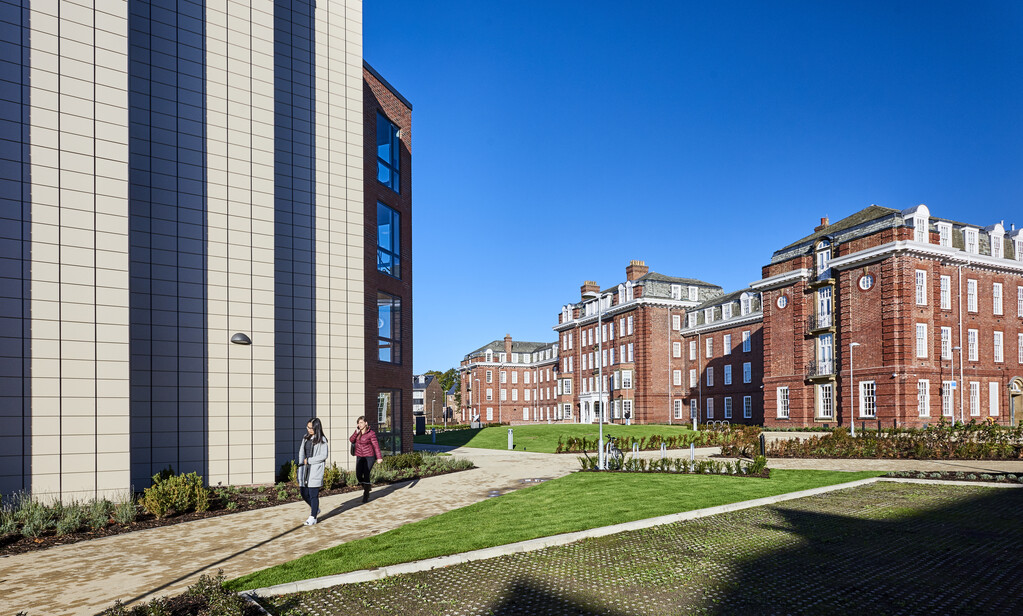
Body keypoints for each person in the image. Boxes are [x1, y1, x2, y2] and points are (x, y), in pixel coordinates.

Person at [297, 417, 329, 525]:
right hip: (305, 470)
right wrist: (301, 464)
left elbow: (324, 455)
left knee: (313, 494)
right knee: (303, 492)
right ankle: (315, 509)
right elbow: (302, 452)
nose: (309, 430)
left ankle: (313, 517)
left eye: (311, 428)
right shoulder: (305, 438)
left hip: (315, 470)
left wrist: (310, 461)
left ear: (316, 428)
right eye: (308, 427)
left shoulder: (322, 440)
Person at [349, 415, 382, 503]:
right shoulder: (357, 433)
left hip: (369, 457)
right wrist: (356, 432)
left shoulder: (371, 433)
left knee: (366, 474)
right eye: (358, 423)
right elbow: (351, 440)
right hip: (359, 456)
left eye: (361, 422)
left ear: (366, 423)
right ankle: (367, 487)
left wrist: (379, 457)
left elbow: (376, 446)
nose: (359, 424)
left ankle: (366, 494)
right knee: (358, 475)